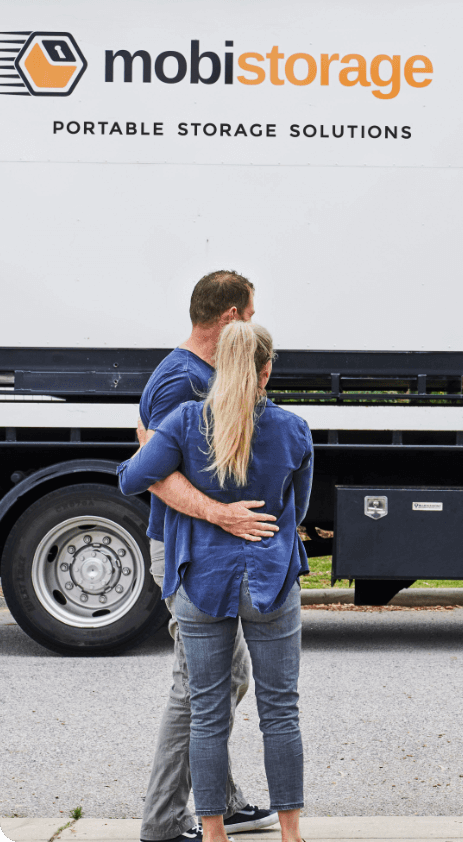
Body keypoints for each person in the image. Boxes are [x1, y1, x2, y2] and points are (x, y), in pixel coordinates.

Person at [120, 322, 313, 842]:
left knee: (206, 713)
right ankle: (292, 835)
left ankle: (213, 834)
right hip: (271, 581)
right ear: (267, 370)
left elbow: (131, 479)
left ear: (219, 367)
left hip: (200, 579)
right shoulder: (294, 429)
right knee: (281, 711)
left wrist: (147, 447)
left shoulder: (184, 421)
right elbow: (301, 505)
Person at [137, 271, 279, 842]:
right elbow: (155, 476)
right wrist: (223, 515)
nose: (255, 329)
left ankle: (219, 798)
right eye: (250, 317)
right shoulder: (180, 381)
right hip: (181, 550)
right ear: (230, 319)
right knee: (198, 687)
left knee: (228, 675)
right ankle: (165, 823)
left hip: (199, 550)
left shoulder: (200, 376)